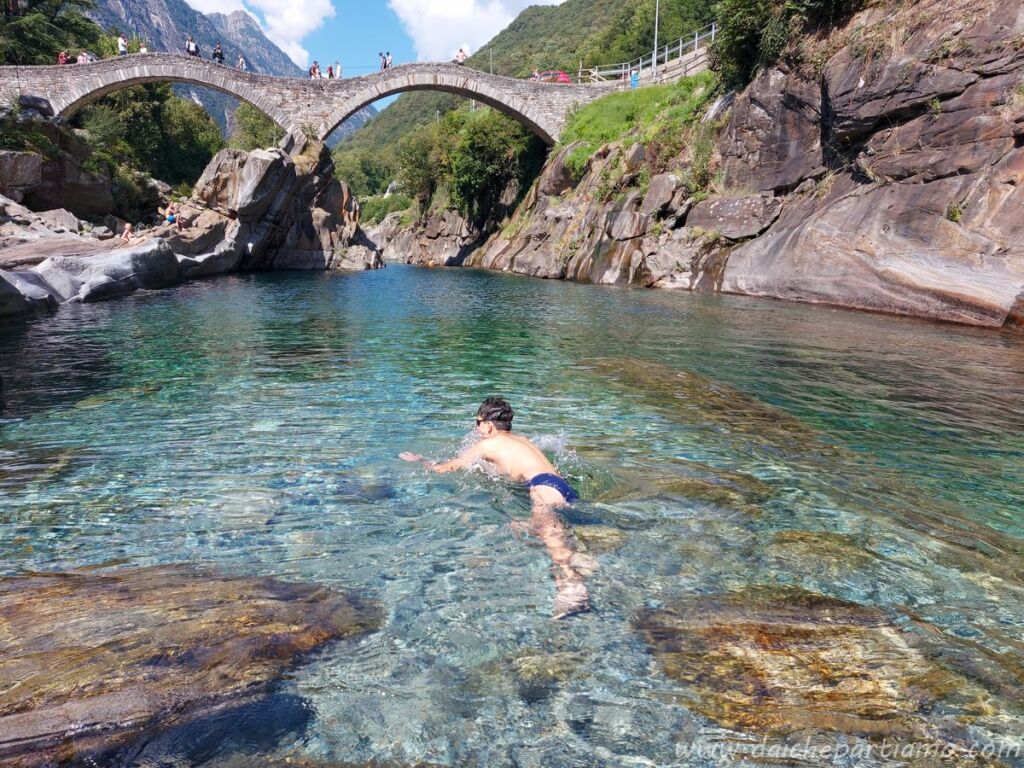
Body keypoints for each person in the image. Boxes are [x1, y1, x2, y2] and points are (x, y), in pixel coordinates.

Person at [400, 397, 594, 619]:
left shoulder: (486, 444)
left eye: (477, 421)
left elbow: (445, 469)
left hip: (543, 489)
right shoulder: (522, 439)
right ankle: (581, 561)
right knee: (548, 532)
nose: (476, 427)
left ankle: (574, 596)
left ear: (489, 425)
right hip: (561, 486)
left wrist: (420, 459)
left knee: (554, 546)